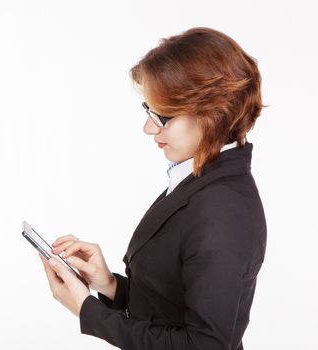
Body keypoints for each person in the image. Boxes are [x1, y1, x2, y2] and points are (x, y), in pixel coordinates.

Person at [39, 26, 268, 350]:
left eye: (162, 116)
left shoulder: (224, 210)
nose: (148, 128)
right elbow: (171, 308)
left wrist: (88, 312)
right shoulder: (201, 180)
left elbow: (203, 345)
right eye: (148, 112)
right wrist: (108, 284)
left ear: (210, 115)